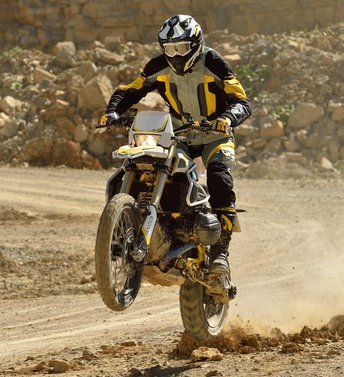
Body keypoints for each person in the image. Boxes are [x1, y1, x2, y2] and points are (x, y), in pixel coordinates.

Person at [100, 14, 252, 287]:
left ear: (195, 44)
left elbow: (241, 100)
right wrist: (113, 112)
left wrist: (227, 118)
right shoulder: (157, 66)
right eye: (169, 49)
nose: (175, 55)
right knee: (146, 163)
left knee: (220, 176)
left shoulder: (213, 62)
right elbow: (130, 90)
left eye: (181, 48)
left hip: (215, 134)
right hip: (179, 133)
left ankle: (220, 254)